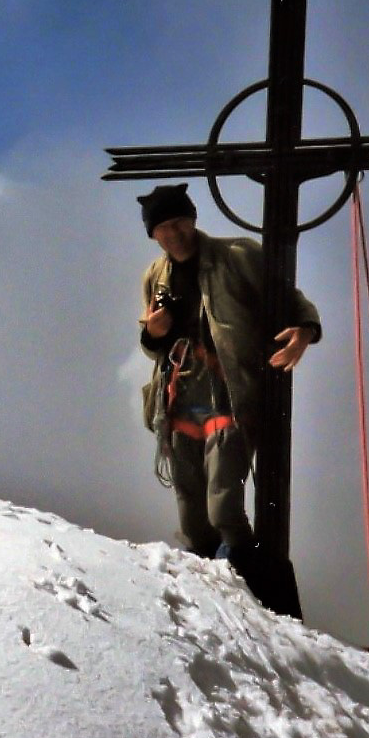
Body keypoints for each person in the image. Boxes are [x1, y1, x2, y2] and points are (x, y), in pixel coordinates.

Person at [135, 183, 321, 569]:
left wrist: (304, 330)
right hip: (179, 396)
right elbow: (153, 346)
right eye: (163, 228)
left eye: (179, 222)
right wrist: (153, 332)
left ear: (192, 219)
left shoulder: (238, 255)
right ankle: (206, 584)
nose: (173, 233)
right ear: (153, 234)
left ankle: (247, 573)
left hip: (230, 393)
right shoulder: (156, 274)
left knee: (223, 505)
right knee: (191, 513)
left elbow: (291, 299)